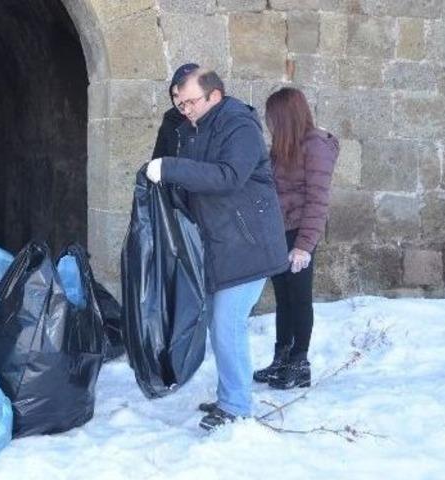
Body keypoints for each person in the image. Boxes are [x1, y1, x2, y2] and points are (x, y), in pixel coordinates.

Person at [145, 69, 288, 431]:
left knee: (227, 325)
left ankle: (237, 406)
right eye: (179, 104)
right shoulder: (195, 128)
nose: (184, 110)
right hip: (221, 244)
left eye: (190, 102)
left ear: (215, 96)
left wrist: (172, 168)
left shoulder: (239, 126)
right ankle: (230, 395)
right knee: (219, 324)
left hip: (248, 244)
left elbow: (228, 176)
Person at [253, 87, 338, 390]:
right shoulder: (283, 145)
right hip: (279, 233)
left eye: (273, 116)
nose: (269, 123)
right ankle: (282, 358)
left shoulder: (316, 146)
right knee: (284, 299)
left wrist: (304, 246)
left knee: (299, 299)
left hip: (300, 234)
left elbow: (317, 200)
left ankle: (300, 364)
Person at [151, 63, 199, 159]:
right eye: (176, 95)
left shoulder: (217, 119)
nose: (180, 102)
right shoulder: (171, 119)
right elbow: (159, 158)